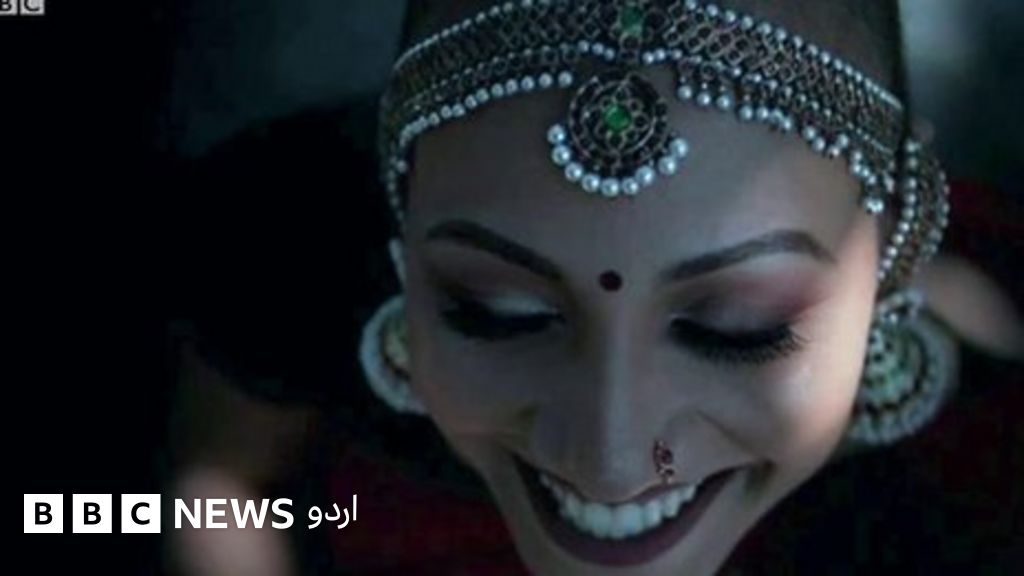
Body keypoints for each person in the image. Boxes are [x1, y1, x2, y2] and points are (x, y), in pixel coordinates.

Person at [166, 1, 1024, 575]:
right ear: (404, 234)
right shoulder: (287, 263)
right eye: (497, 313)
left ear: (892, 263)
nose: (611, 462)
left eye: (739, 328)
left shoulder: (986, 464)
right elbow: (215, 492)